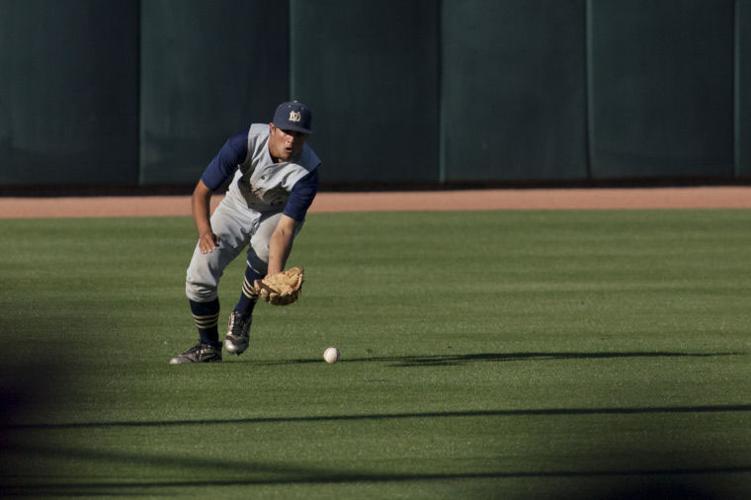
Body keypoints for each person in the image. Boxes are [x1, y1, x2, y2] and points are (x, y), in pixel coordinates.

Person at [169, 101, 320, 364]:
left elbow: (284, 230)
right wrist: (205, 230)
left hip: (276, 214)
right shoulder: (245, 142)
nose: (291, 140)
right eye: (286, 131)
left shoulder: (308, 171)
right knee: (198, 277)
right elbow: (201, 191)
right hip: (236, 206)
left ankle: (242, 313)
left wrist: (274, 275)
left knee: (264, 246)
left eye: (299, 134)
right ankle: (207, 347)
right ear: (272, 128)